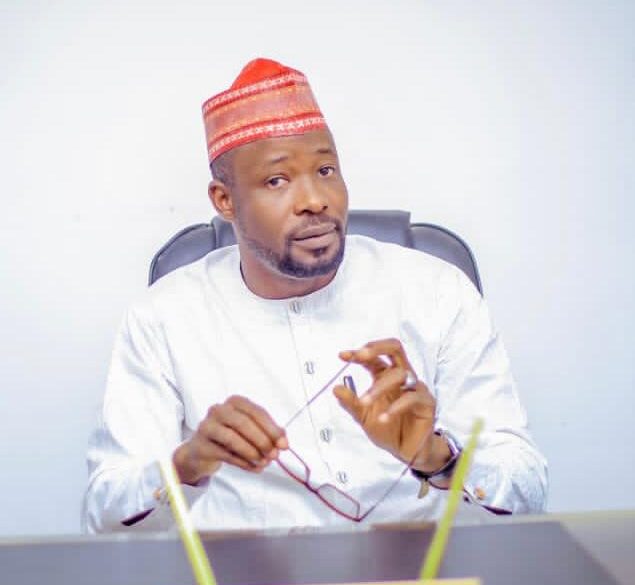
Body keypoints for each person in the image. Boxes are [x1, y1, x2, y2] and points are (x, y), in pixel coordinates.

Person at [83, 58, 547, 533]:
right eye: (277, 180)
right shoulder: (163, 316)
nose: (315, 200)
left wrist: (438, 458)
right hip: (241, 574)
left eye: (326, 170)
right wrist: (185, 466)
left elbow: (527, 490)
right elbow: (103, 514)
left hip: (414, 569)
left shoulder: (437, 291)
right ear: (225, 200)